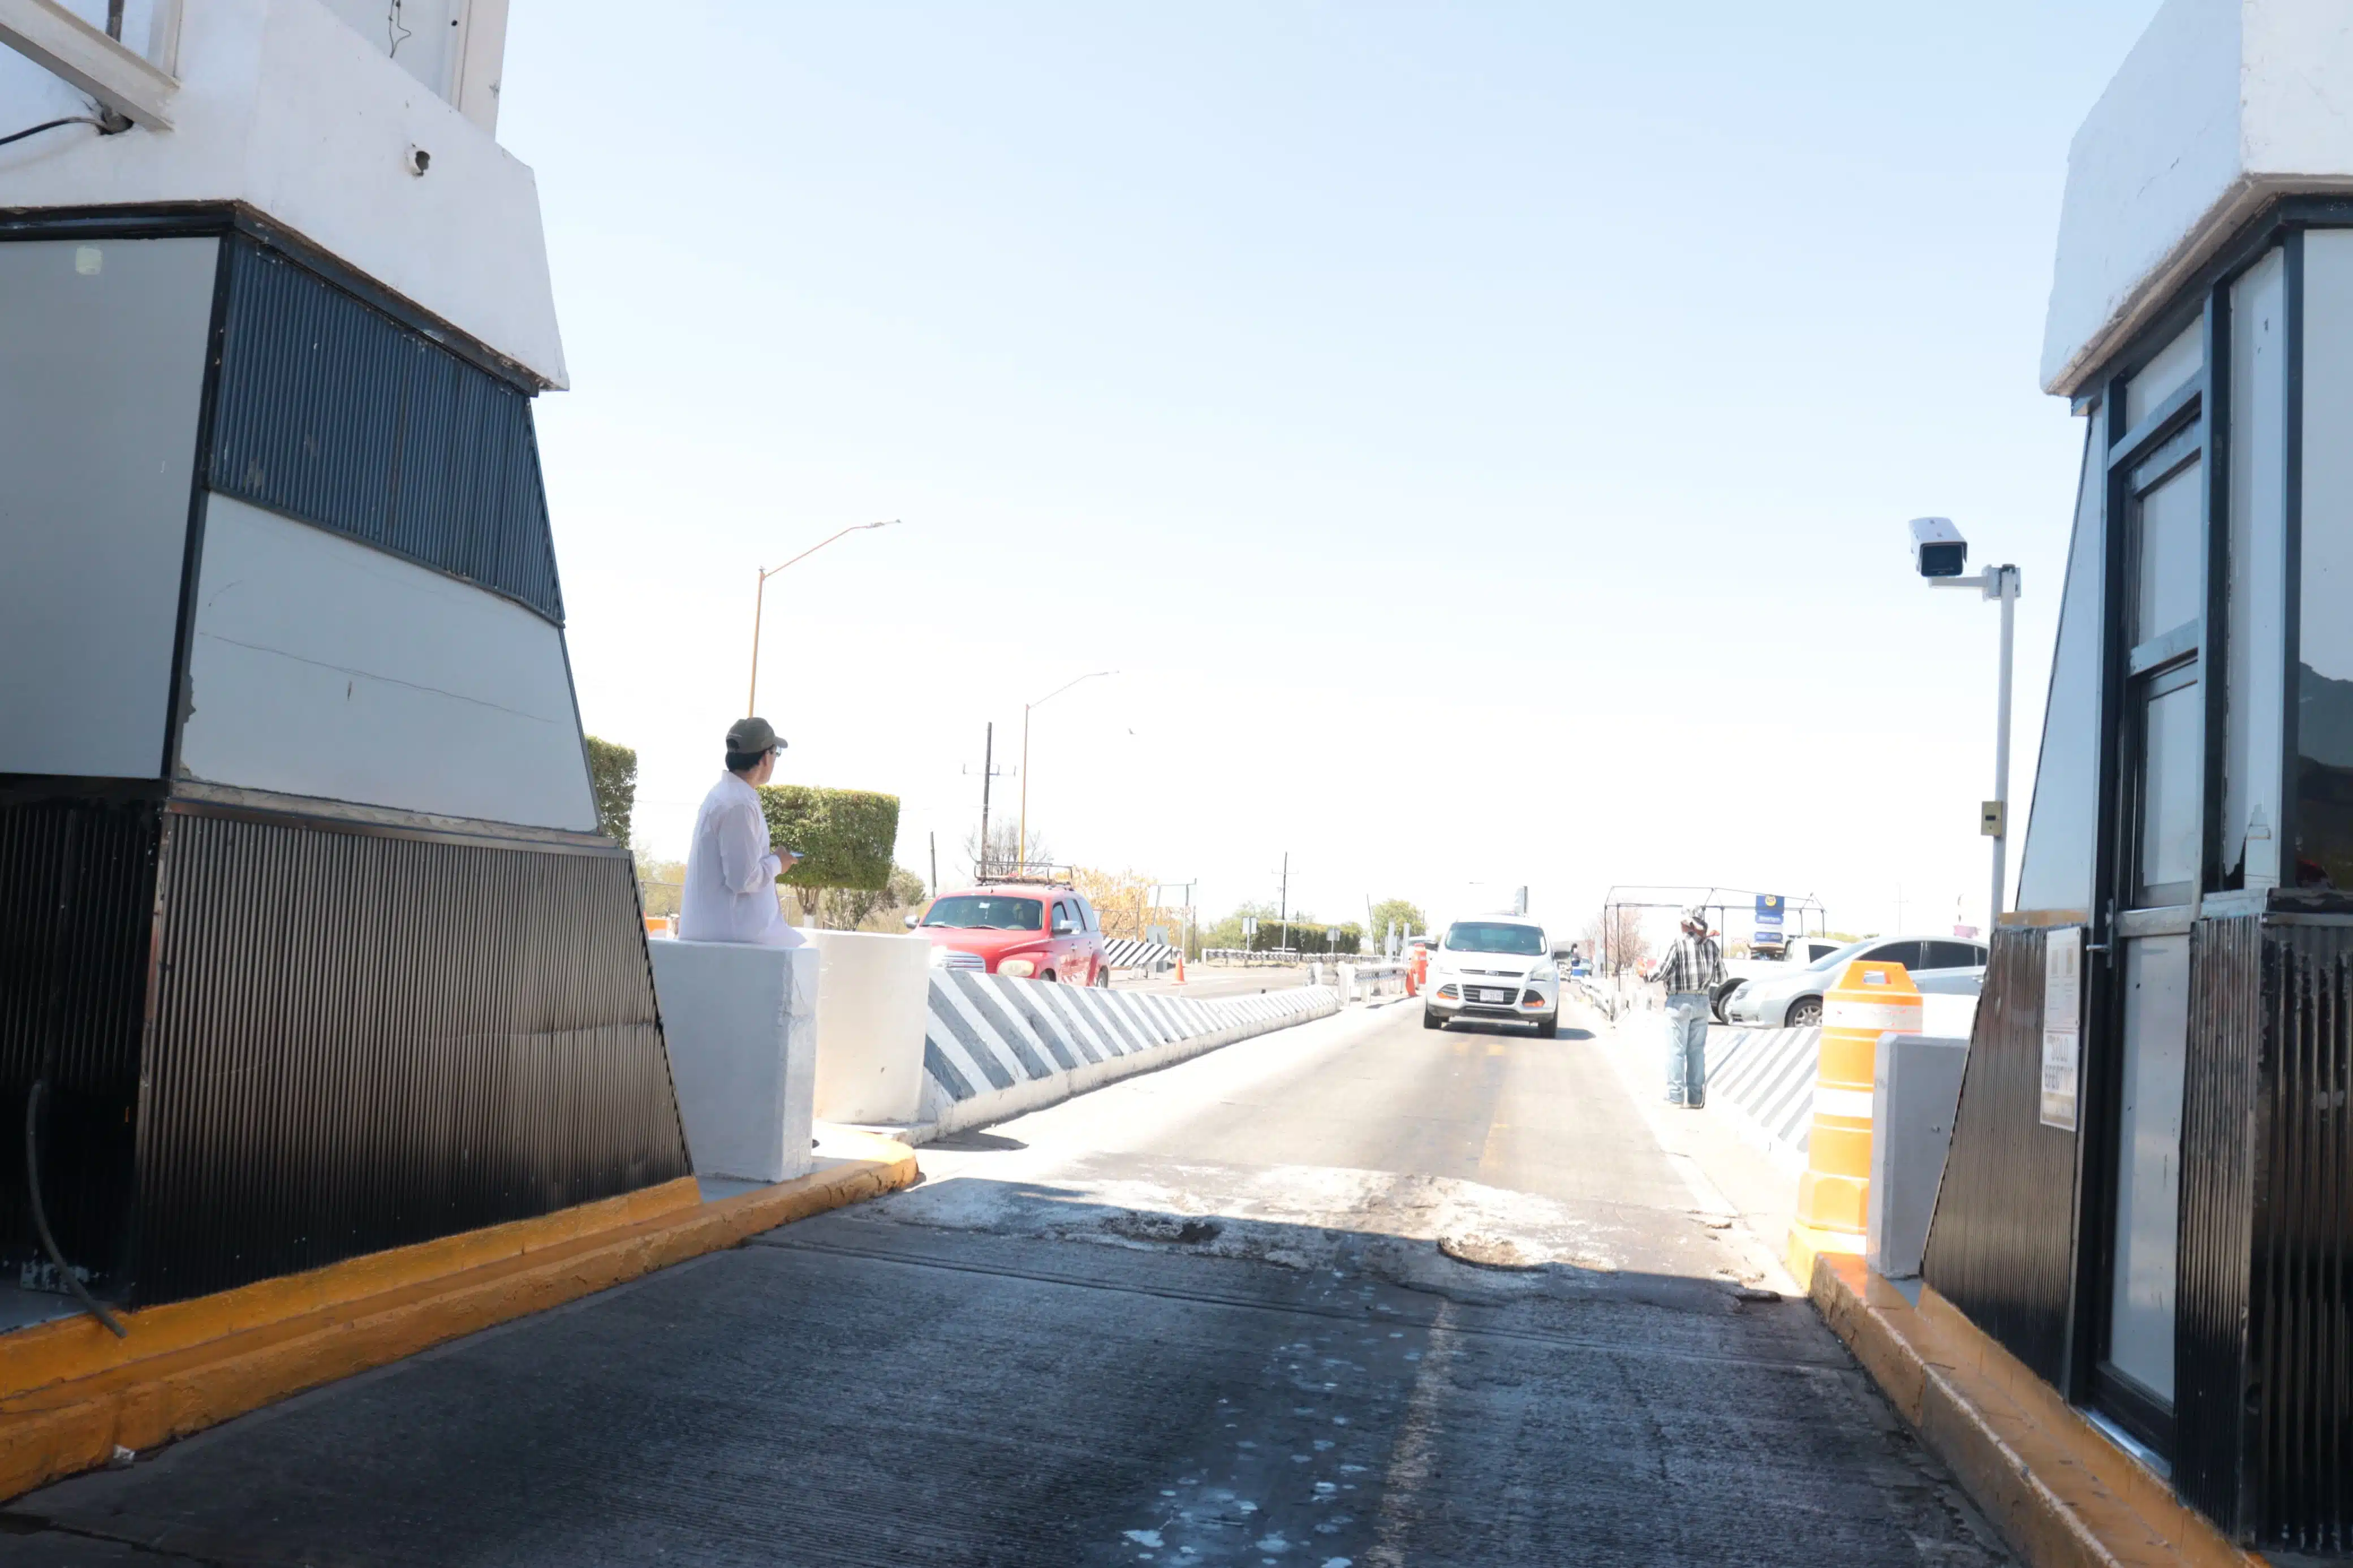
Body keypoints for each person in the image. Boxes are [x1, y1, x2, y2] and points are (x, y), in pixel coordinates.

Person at [679, 716, 804, 947]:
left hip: (723, 941)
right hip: (733, 946)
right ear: (766, 757)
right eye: (775, 754)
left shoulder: (725, 795)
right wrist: (779, 862)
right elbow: (742, 879)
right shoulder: (739, 804)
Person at [1653, 908, 1723, 1108]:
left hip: (1679, 1002)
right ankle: (1695, 1098)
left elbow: (1662, 971)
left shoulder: (1679, 944)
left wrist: (1646, 975)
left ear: (1686, 924)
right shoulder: (1713, 948)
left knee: (1676, 1051)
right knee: (1696, 1052)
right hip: (1702, 1002)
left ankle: (1676, 1096)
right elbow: (1722, 978)